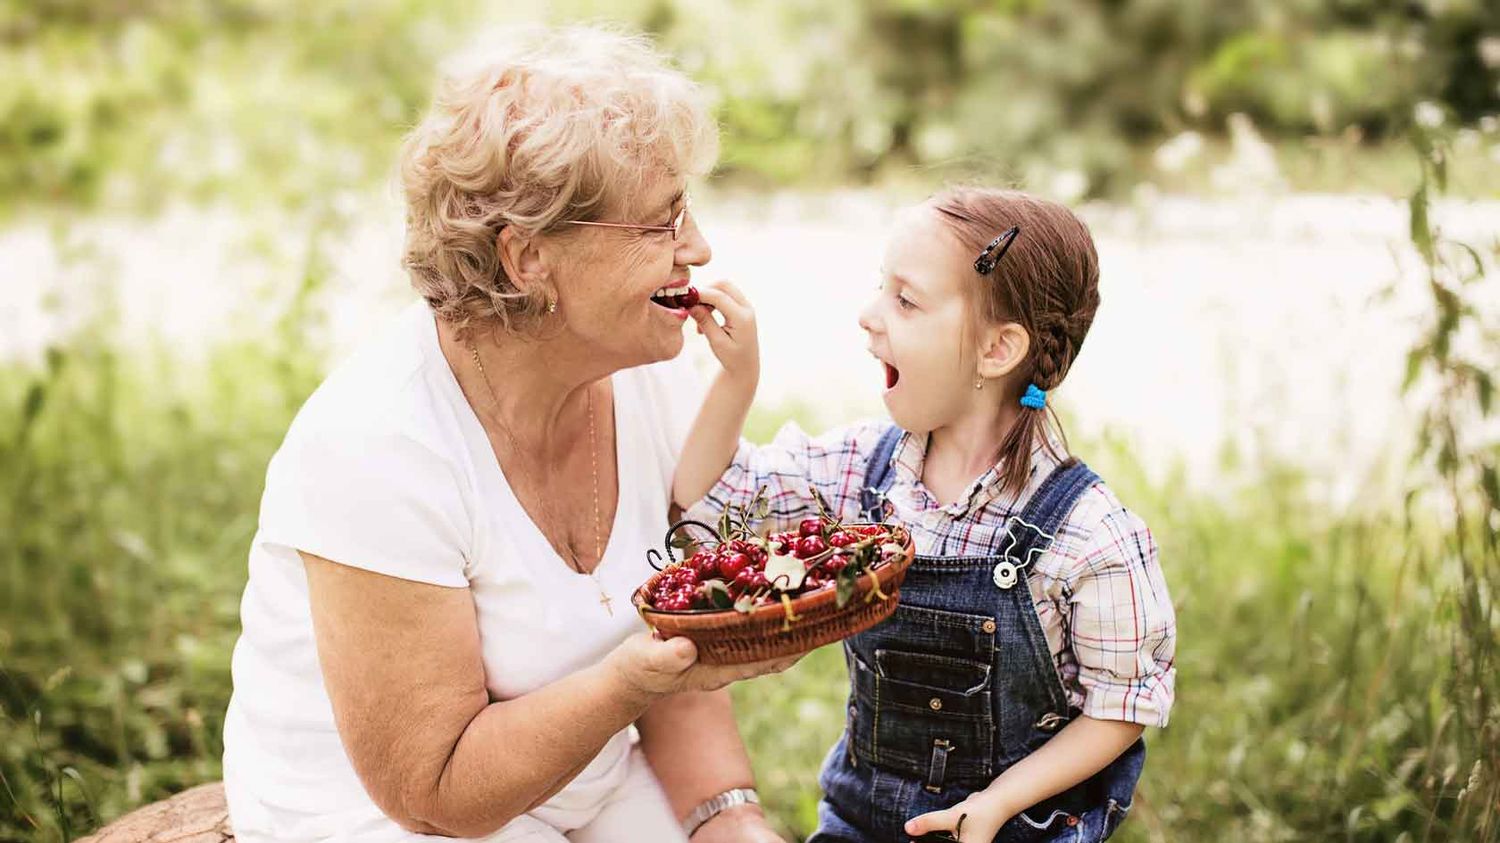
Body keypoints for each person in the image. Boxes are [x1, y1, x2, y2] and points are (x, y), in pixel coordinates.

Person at [223, 26, 794, 843]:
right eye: (660, 225)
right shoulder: (376, 446)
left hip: (581, 780)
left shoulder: (650, 371)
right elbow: (435, 790)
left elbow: (678, 643)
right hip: (395, 815)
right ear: (528, 258)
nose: (697, 249)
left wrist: (725, 818)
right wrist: (634, 680)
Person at [673, 187, 1177, 841]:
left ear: (998, 350)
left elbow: (1122, 705)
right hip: (862, 822)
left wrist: (996, 801)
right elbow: (707, 504)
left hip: (1012, 828)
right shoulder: (863, 469)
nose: (868, 315)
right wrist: (738, 378)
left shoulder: (1087, 532)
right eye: (881, 288)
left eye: (905, 300)